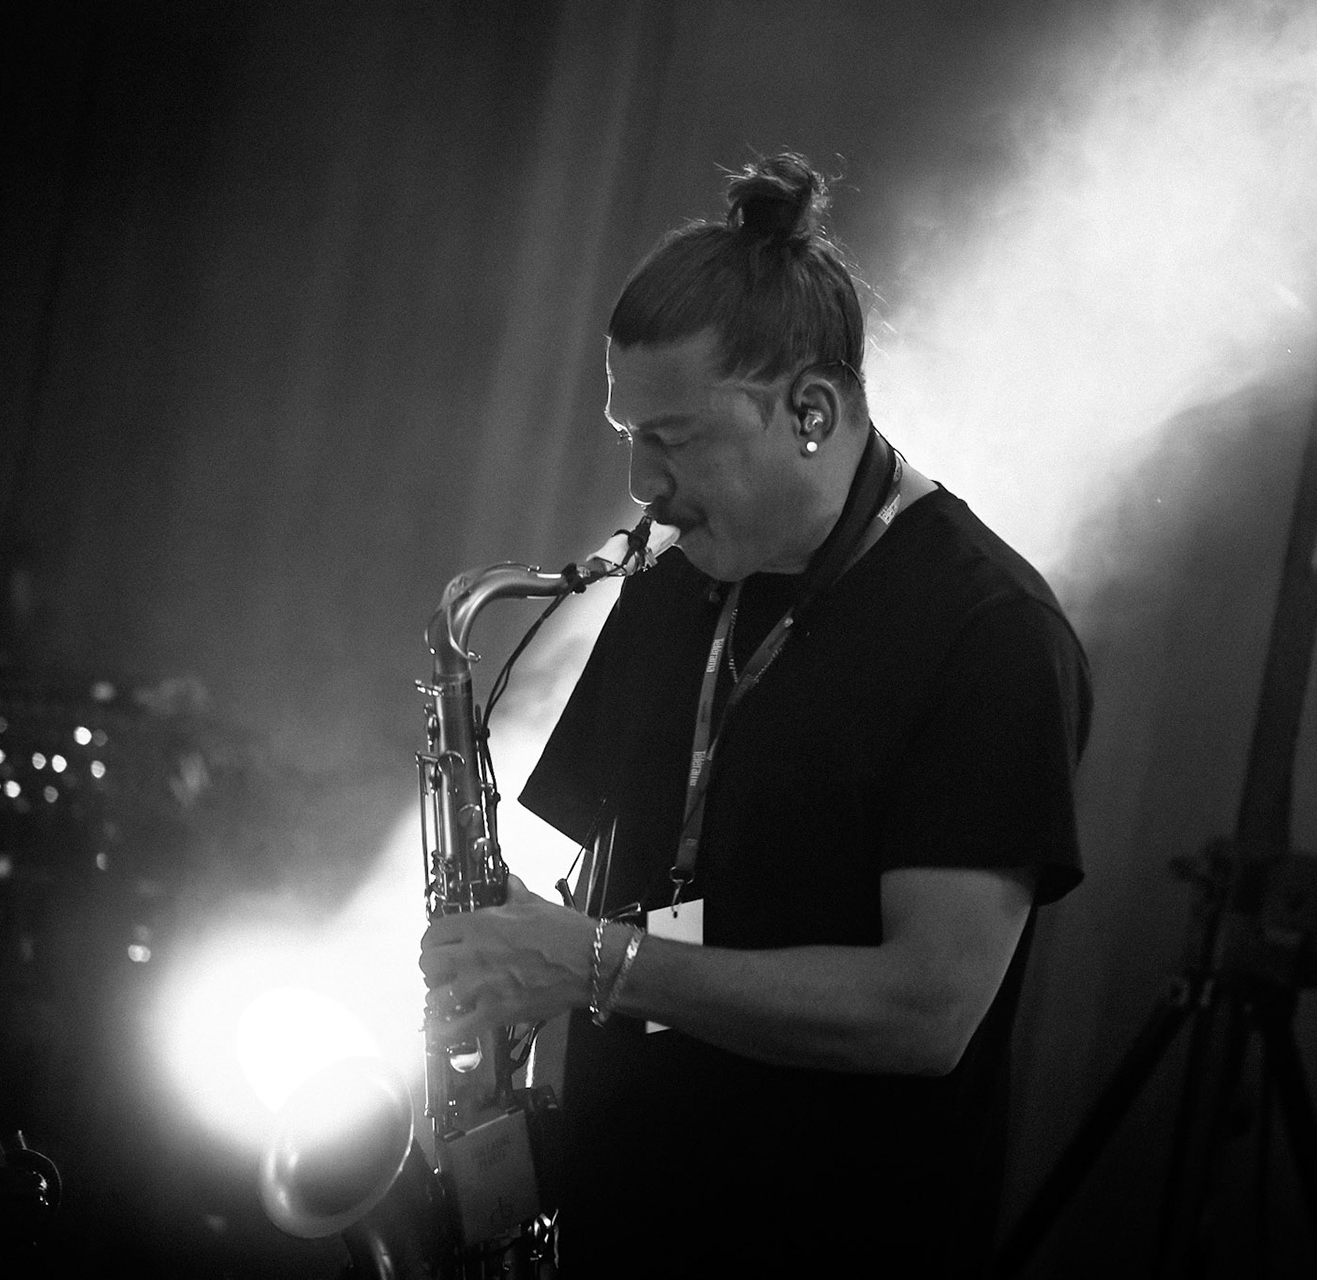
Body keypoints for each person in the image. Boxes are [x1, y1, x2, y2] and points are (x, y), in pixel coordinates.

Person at [421, 153, 1090, 1277]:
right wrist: (515, 967)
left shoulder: (992, 632)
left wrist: (592, 962)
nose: (639, 484)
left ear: (813, 411)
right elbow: (612, 898)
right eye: (626, 435)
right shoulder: (675, 584)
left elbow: (926, 1010)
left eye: (671, 439)